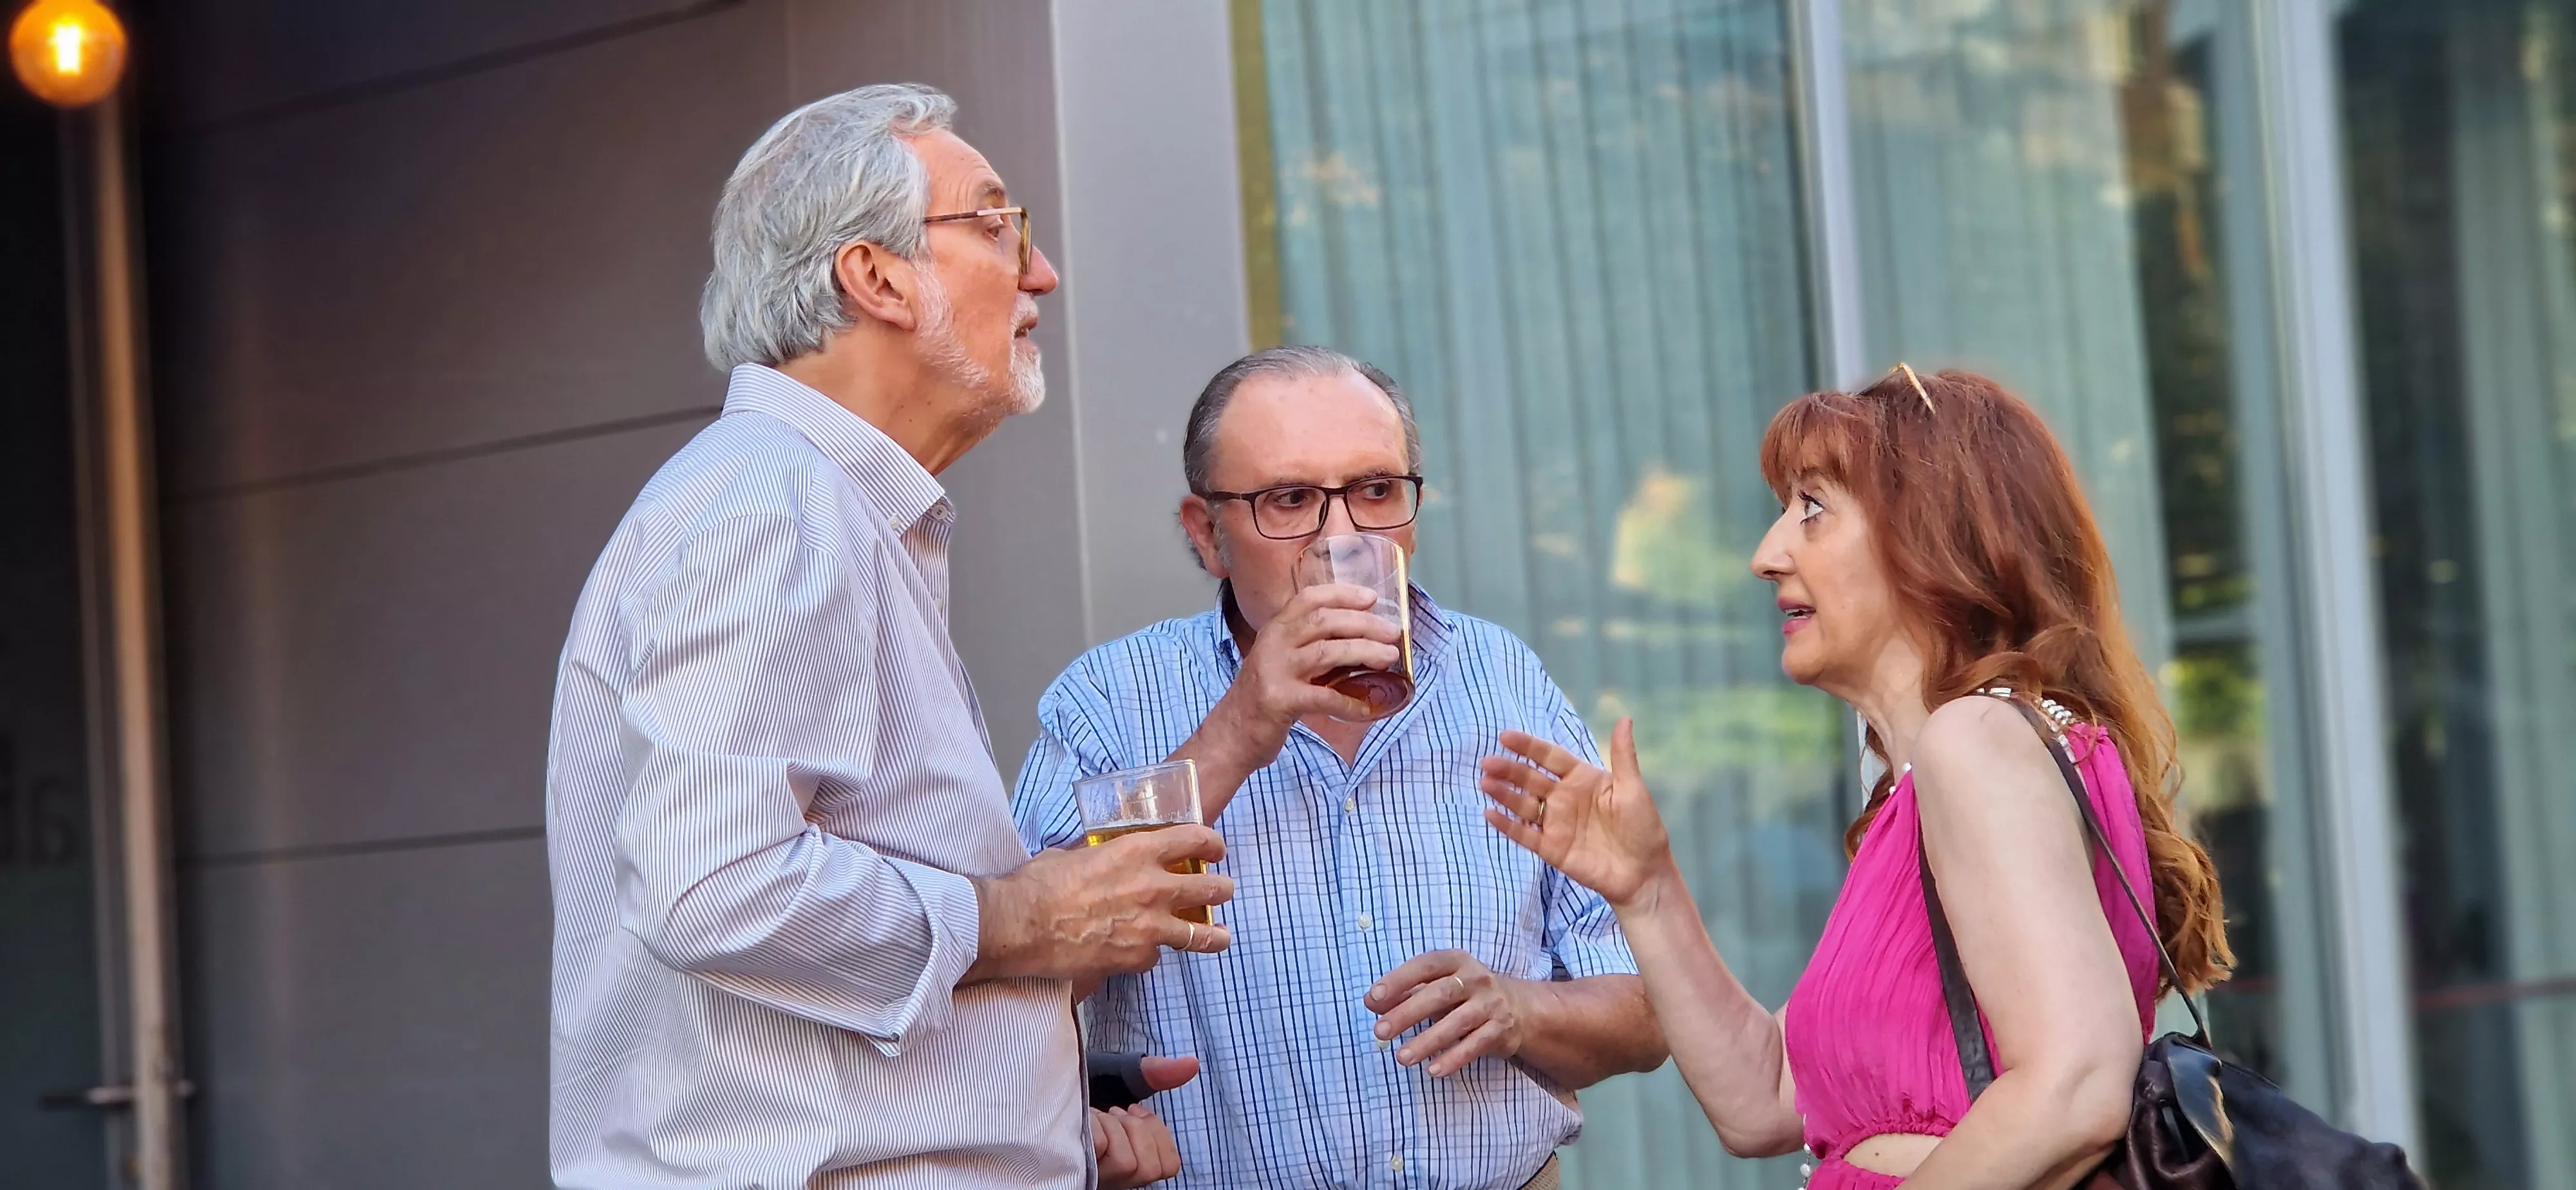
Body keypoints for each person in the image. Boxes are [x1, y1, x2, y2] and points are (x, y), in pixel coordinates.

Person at [546, 84, 1227, 1190]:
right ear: (875, 277)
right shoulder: (776, 506)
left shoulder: (816, 505)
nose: (1039, 272)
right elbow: (712, 883)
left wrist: (1039, 1088)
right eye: (1000, 226)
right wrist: (1017, 917)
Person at [1479, 367, 2233, 1190]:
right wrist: (1645, 888)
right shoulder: (1936, 778)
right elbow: (1767, 1099)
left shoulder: (1974, 742)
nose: (1767, 556)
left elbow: (2077, 1086)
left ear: (1934, 536)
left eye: (1813, 508)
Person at [1010, 346, 1668, 1190]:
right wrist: (1243, 726)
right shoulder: (1108, 703)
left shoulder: (1501, 680)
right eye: (1290, 501)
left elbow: (1648, 1014)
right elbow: (1022, 985)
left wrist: (1518, 1010)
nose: (1344, 540)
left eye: (1375, 491)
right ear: (1206, 534)